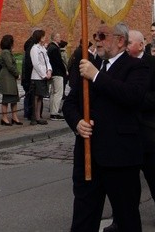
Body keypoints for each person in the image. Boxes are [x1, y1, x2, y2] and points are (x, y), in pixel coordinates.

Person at [63, 22, 148, 232]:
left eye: (102, 36)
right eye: (95, 36)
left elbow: (132, 96)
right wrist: (77, 123)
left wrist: (97, 76)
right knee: (83, 218)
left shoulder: (136, 66)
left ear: (120, 40)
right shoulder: (89, 66)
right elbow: (70, 103)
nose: (97, 41)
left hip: (120, 158)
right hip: (88, 156)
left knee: (126, 218)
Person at [129, 29, 155, 229]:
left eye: (128, 42)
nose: (125, 45)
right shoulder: (122, 64)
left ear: (140, 44)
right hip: (127, 132)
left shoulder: (153, 65)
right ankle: (124, 216)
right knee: (128, 182)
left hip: (147, 130)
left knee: (154, 178)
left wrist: (133, 99)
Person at [0, 34, 22, 126]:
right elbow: (10, 65)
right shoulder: (5, 52)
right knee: (7, 98)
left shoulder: (8, 52)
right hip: (7, 77)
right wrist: (17, 74)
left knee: (14, 98)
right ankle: (4, 118)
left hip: (10, 76)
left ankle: (14, 117)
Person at [29, 29, 51, 125]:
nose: (45, 38)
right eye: (43, 36)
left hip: (44, 75)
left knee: (40, 97)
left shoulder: (42, 48)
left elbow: (47, 61)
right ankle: (35, 116)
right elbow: (36, 64)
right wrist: (44, 74)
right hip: (37, 77)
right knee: (36, 97)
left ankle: (38, 116)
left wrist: (49, 71)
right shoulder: (34, 49)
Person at [47, 31, 66, 120]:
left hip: (52, 72)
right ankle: (54, 112)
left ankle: (52, 110)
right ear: (54, 38)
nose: (60, 38)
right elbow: (58, 62)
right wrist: (64, 70)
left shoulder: (49, 47)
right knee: (58, 93)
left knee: (53, 93)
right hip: (57, 73)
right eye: (58, 37)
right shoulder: (54, 48)